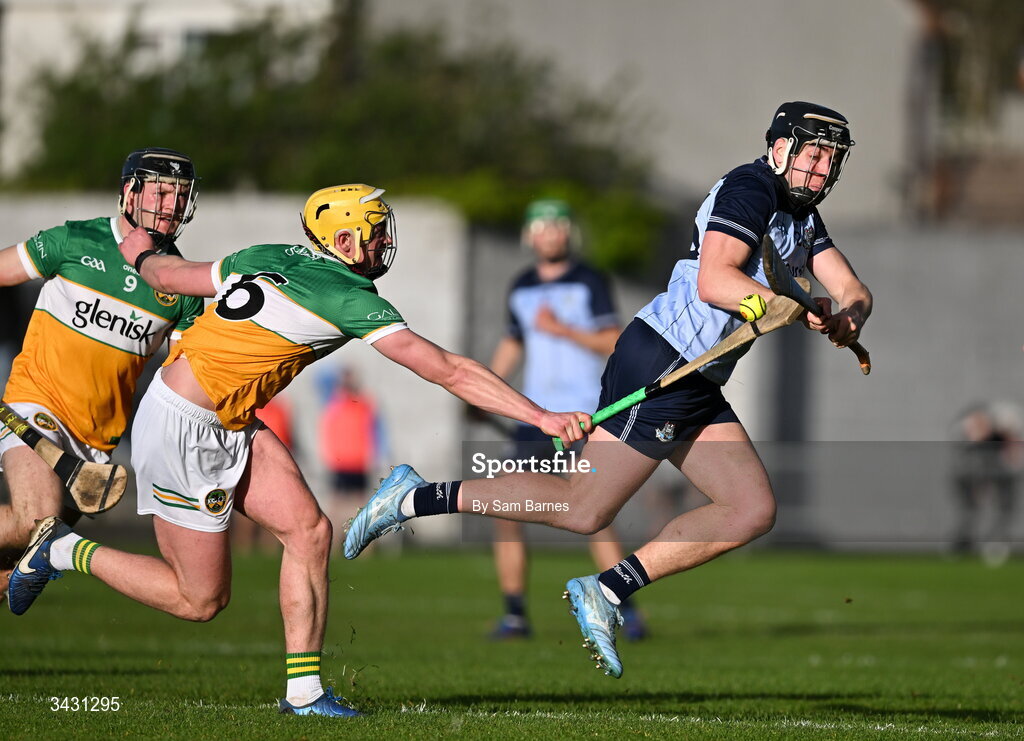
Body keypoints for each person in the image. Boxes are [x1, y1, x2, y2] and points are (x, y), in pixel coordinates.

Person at [8, 184, 590, 717]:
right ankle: (62, 550)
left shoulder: (270, 255)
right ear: (342, 240)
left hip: (224, 414)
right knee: (200, 599)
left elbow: (174, 276)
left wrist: (138, 254)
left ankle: (304, 692)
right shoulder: (342, 293)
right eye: (376, 230)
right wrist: (541, 415)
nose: (386, 240)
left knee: (310, 531)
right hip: (184, 424)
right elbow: (448, 370)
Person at [345, 102, 872, 679]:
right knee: (583, 508)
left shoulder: (802, 216)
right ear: (779, 150)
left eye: (832, 158)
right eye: (813, 153)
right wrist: (781, 306)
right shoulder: (751, 189)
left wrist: (848, 315)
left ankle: (607, 588)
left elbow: (850, 286)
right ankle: (414, 498)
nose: (822, 169)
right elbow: (715, 279)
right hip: (662, 362)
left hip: (701, 377)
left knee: (750, 508)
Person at [0, 147, 202, 601]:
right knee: (36, 522)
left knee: (10, 570)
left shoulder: (181, 284)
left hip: (96, 443)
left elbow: (188, 378)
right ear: (130, 192)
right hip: (36, 405)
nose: (172, 204)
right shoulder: (73, 242)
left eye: (181, 194)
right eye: (162, 191)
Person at [485, 198, 645, 640]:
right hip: (534, 416)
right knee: (505, 509)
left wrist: (563, 331)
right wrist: (487, 390)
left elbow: (614, 340)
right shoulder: (520, 286)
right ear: (529, 234)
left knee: (594, 512)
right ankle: (514, 614)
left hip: (582, 415)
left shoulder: (590, 280)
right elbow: (514, 342)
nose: (549, 233)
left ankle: (625, 611)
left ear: (567, 233)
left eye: (557, 226)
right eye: (541, 226)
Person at [318, 367, 385, 552]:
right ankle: (332, 545)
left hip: (360, 461)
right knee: (337, 505)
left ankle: (363, 546)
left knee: (362, 505)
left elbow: (375, 429)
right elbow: (327, 429)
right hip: (340, 461)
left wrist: (376, 454)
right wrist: (329, 455)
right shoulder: (335, 404)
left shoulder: (365, 404)